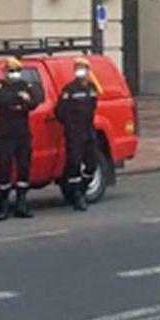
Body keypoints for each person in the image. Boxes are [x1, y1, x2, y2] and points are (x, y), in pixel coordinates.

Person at [0, 58, 41, 220]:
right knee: (4, 169)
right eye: (10, 70)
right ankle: (3, 206)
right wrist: (21, 99)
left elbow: (34, 101)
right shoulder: (0, 86)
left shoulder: (25, 85)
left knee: (24, 168)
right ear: (5, 71)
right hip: (5, 135)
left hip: (23, 134)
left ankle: (21, 204)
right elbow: (2, 100)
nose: (14, 74)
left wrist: (21, 103)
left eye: (16, 71)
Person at [55, 59, 101, 211]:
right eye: (78, 68)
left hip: (89, 130)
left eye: (83, 68)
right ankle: (76, 196)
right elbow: (60, 112)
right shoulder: (69, 90)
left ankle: (82, 188)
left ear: (88, 70)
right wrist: (71, 124)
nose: (80, 71)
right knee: (74, 163)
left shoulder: (92, 88)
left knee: (92, 163)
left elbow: (93, 106)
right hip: (75, 132)